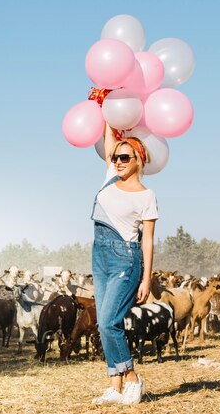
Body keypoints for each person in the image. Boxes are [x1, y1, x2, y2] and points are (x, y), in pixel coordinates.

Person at [90, 123, 158, 405]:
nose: (117, 161)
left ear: (138, 160)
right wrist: (107, 106)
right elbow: (108, 138)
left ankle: (132, 378)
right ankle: (114, 386)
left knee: (109, 322)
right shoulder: (109, 177)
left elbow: (148, 242)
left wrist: (146, 279)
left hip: (125, 259)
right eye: (115, 157)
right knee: (102, 324)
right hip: (99, 256)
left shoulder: (146, 196)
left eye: (124, 157)